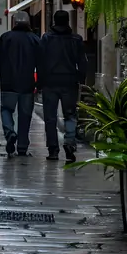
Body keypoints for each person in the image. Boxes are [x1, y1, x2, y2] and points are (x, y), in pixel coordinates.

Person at [37, 9, 88, 162]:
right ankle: (69, 143)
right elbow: (82, 62)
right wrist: (81, 79)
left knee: (50, 118)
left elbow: (40, 61)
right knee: (70, 115)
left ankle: (53, 149)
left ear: (54, 21)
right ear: (67, 21)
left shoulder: (46, 38)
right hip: (69, 82)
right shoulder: (76, 39)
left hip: (50, 82)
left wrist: (40, 81)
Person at [0, 11, 40, 156]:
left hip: (8, 83)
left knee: (6, 110)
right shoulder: (34, 39)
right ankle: (22, 147)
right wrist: (40, 82)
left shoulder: (5, 38)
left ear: (14, 22)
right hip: (27, 84)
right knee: (25, 115)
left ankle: (10, 133)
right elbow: (41, 62)